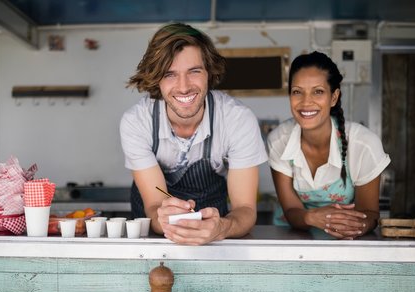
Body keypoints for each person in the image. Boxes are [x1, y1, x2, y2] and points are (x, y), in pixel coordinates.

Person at [120, 23, 267, 245]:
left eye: (194, 71)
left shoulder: (237, 120)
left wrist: (221, 228)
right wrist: (167, 222)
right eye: (169, 74)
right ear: (156, 79)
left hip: (215, 238)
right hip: (155, 239)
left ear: (209, 72)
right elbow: (153, 205)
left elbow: (245, 209)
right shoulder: (137, 122)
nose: (184, 87)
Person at [267, 51, 390, 239]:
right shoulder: (278, 140)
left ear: (333, 97)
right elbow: (291, 210)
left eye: (318, 91)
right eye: (297, 92)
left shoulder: (363, 145)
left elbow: (370, 214)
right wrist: (310, 217)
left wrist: (353, 225)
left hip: (344, 239)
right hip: (291, 238)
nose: (306, 102)